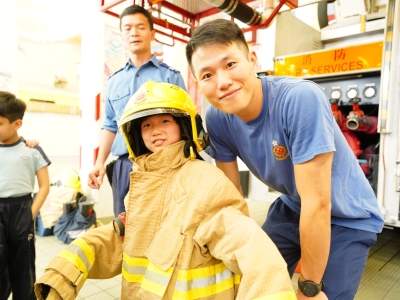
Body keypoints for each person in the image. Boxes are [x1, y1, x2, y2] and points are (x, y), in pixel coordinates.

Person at [34, 81, 296, 300]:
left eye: (164, 120)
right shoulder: (144, 179)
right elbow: (128, 238)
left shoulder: (206, 181)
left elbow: (252, 248)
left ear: (184, 126)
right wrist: (61, 274)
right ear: (135, 135)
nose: (155, 130)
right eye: (146, 125)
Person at [185, 19, 384, 300]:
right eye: (207, 75)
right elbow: (231, 198)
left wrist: (310, 284)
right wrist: (239, 252)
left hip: (348, 216)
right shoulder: (217, 119)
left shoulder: (299, 100)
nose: (223, 82)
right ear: (198, 83)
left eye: (230, 64)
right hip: (292, 206)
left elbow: (318, 203)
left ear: (252, 60)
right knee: (248, 279)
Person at [88, 5, 186, 217]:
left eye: (140, 27)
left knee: (167, 224)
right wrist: (99, 162)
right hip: (125, 167)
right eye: (128, 28)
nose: (134, 32)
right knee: (125, 227)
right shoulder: (114, 81)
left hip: (164, 164)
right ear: (122, 35)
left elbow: (186, 123)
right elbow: (110, 124)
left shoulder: (171, 77)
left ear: (152, 33)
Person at [0, 91, 51, 300]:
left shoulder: (31, 149)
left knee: (23, 266)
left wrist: (30, 214)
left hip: (22, 208)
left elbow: (45, 185)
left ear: (17, 124)